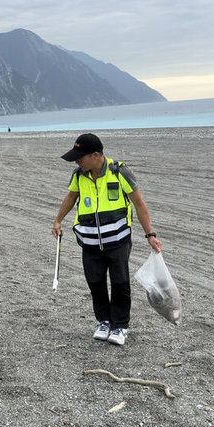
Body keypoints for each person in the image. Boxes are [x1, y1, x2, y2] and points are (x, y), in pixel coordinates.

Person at [51, 133, 162, 346]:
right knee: (95, 282)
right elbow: (70, 198)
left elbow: (139, 204)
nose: (77, 161)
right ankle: (104, 321)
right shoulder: (79, 175)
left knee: (120, 282)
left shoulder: (119, 172)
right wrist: (57, 221)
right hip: (89, 241)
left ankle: (120, 325)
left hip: (118, 240)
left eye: (80, 158)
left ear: (95, 155)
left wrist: (150, 235)